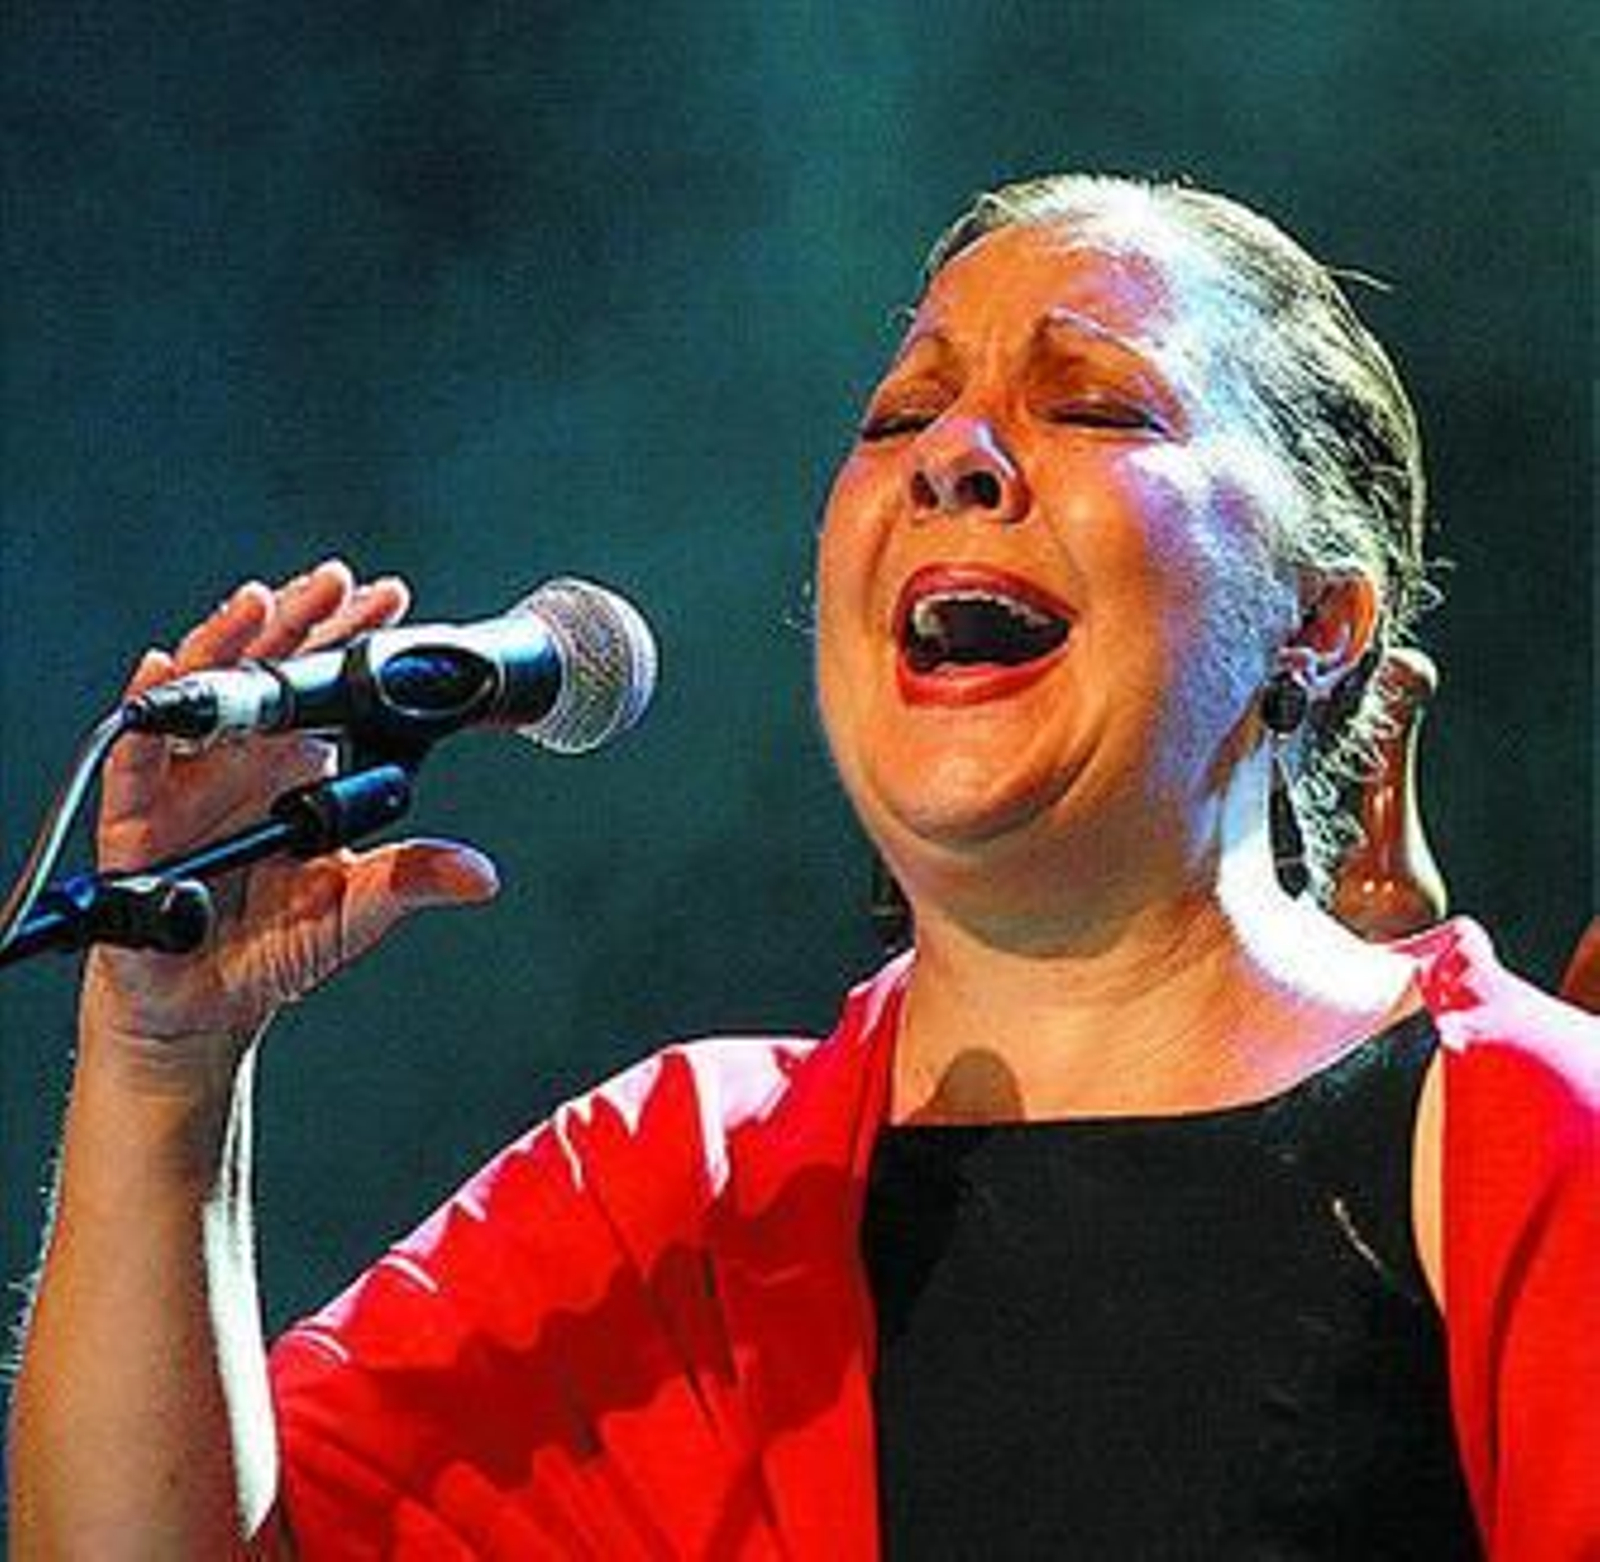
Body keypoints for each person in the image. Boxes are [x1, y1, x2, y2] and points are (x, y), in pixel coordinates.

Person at [8, 174, 1598, 1559]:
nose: (952, 455)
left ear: (1319, 622)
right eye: (900, 416)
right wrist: (164, 1063)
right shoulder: (675, 1189)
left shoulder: (1523, 1137)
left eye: (1096, 406)